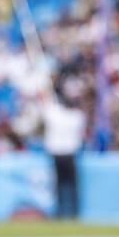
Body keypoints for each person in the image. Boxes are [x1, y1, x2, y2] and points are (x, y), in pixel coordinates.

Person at [42, 88, 87, 219]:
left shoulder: (54, 113)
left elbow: (46, 103)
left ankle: (61, 212)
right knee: (71, 185)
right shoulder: (77, 116)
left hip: (58, 154)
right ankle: (73, 212)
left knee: (60, 185)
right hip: (69, 154)